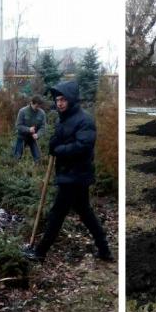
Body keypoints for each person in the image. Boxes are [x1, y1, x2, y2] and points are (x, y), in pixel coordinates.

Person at [24, 80, 113, 262]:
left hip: (76, 175)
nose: (60, 103)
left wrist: (59, 150)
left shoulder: (84, 120)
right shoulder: (62, 119)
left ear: (71, 100)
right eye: (57, 100)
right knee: (85, 212)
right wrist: (52, 145)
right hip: (69, 174)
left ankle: (40, 251)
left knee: (57, 213)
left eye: (63, 100)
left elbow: (83, 146)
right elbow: (58, 140)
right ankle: (104, 250)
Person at [13, 95, 46, 164]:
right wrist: (28, 129)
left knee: (37, 158)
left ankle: (36, 171)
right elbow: (18, 126)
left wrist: (38, 134)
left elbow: (43, 127)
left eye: (39, 106)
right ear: (31, 103)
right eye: (36, 106)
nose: (38, 108)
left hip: (32, 138)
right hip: (22, 137)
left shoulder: (42, 113)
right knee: (17, 157)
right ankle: (14, 169)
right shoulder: (22, 111)